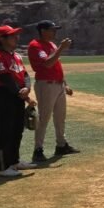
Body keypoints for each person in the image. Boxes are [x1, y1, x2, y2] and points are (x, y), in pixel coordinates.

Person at [0, 25, 37, 177]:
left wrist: (27, 89)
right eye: (12, 35)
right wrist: (21, 93)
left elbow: (26, 75)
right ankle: (2, 168)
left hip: (17, 95)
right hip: (5, 94)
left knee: (17, 130)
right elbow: (4, 78)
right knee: (5, 131)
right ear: (2, 39)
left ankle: (14, 162)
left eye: (16, 35)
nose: (16, 38)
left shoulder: (16, 56)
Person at [27, 20, 79, 162]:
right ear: (43, 31)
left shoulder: (51, 44)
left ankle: (61, 145)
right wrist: (61, 48)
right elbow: (48, 64)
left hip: (58, 85)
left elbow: (57, 66)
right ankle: (38, 150)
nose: (55, 32)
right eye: (52, 29)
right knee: (44, 118)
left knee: (60, 117)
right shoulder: (35, 45)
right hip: (46, 85)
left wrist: (65, 84)